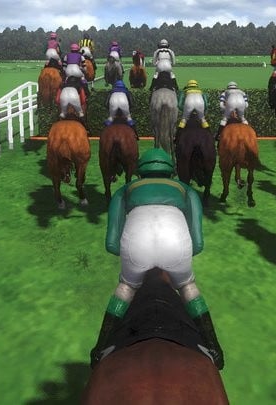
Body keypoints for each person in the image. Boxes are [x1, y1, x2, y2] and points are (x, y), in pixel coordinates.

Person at [90, 147, 223, 370]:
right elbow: (198, 244)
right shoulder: (185, 190)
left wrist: (131, 259)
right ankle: (215, 349)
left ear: (140, 171)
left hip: (136, 246)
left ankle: (99, 350)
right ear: (170, 170)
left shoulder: (125, 190)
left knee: (125, 288)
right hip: (176, 245)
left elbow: (111, 244)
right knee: (189, 288)